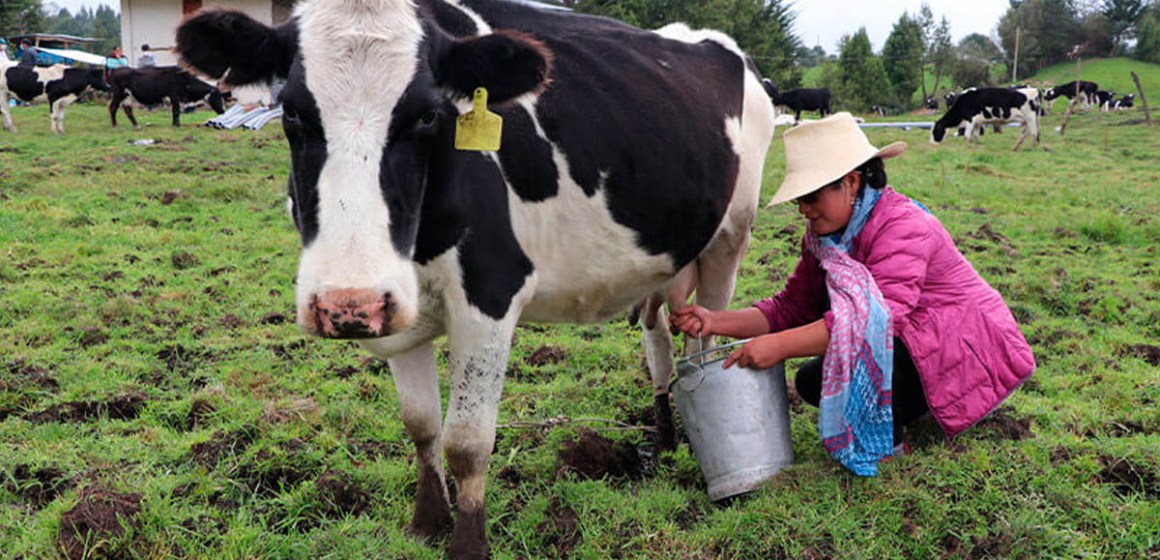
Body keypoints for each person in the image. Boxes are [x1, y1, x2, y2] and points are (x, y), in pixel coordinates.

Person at [671, 112, 1035, 475]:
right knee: (813, 381)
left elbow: (878, 321)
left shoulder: (903, 226)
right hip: (918, 342)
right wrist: (714, 320)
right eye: (799, 199)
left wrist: (776, 346)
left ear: (851, 182)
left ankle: (896, 441)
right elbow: (792, 307)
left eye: (811, 196)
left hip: (964, 348)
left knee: (840, 363)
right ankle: (914, 411)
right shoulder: (825, 238)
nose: (803, 209)